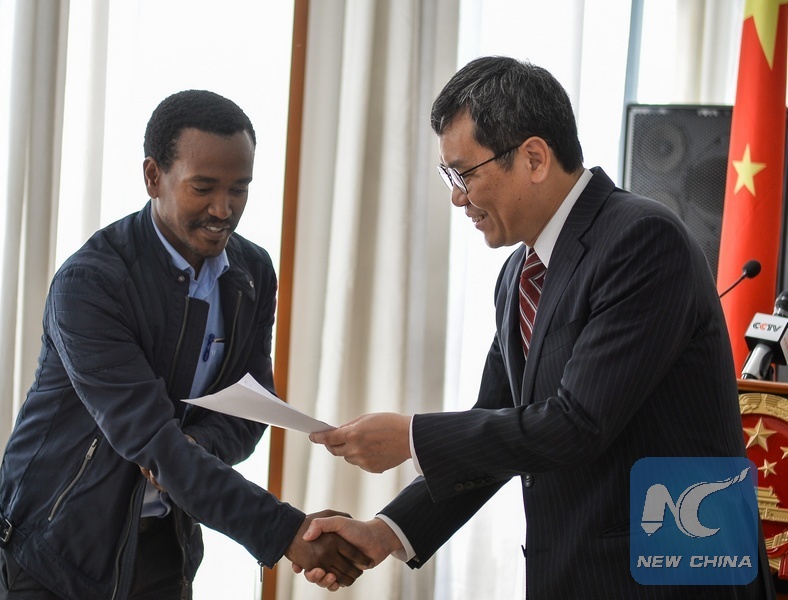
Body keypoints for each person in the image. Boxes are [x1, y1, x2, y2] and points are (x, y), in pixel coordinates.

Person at [297, 56, 776, 599]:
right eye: (449, 176)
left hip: (674, 576)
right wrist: (384, 533)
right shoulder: (517, 275)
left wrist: (411, 437)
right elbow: (496, 419)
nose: (457, 196)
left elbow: (578, 424)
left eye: (464, 173)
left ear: (534, 158)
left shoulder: (642, 240)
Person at [0, 90, 367, 599]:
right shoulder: (90, 283)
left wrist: (194, 451)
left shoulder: (251, 273)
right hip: (56, 547)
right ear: (153, 176)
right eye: (203, 188)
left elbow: (248, 412)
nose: (224, 209)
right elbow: (152, 441)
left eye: (240, 189)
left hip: (165, 544)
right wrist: (287, 531)